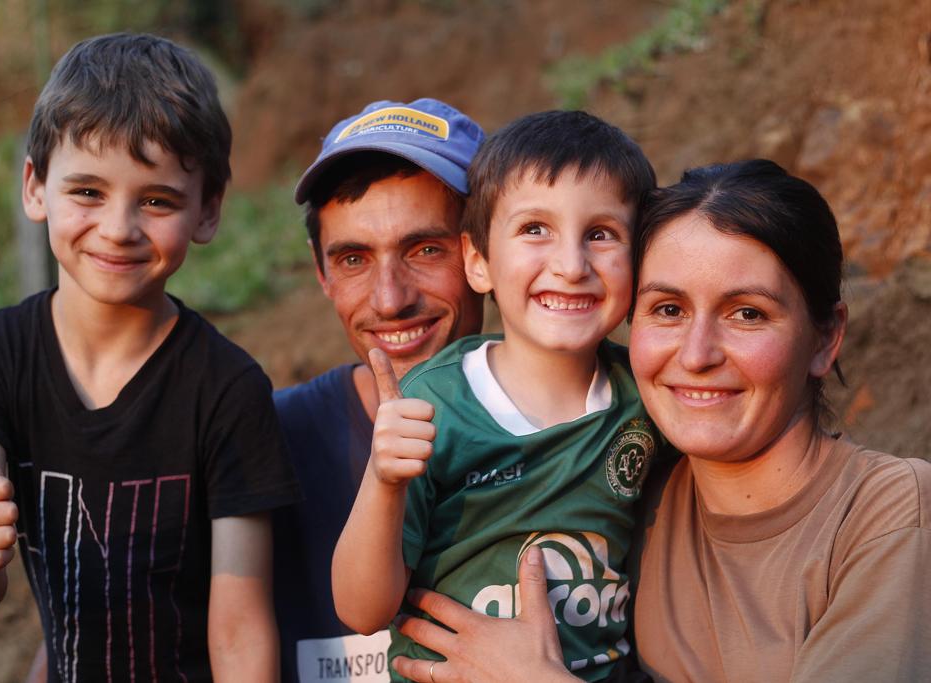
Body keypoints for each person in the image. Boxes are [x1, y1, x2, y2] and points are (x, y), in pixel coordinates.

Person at [389, 160, 931, 683]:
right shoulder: (628, 493)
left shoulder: (888, 512)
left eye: (747, 313)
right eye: (669, 309)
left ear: (825, 338)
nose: (696, 355)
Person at [0, 33, 300, 683]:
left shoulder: (227, 388)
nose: (119, 228)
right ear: (35, 188)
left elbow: (240, 628)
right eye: (88, 192)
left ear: (208, 210)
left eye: (156, 200)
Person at [332, 110, 659, 682]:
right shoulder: (433, 404)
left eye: (601, 234)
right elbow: (361, 612)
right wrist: (384, 482)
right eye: (535, 229)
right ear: (478, 262)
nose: (571, 265)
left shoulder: (648, 396)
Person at [270, 98, 486, 682]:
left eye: (426, 250)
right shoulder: (264, 442)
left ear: (486, 254)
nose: (391, 299)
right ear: (320, 271)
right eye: (353, 259)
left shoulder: (590, 427)